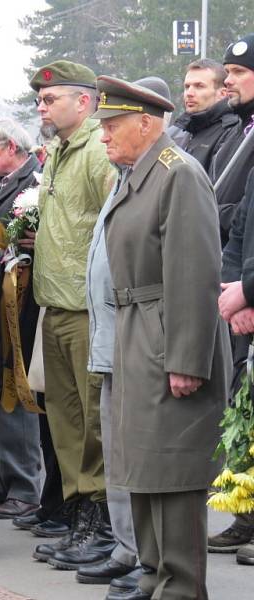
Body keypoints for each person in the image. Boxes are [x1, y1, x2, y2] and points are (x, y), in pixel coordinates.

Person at [97, 74, 228, 600]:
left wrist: (187, 360)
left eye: (112, 126)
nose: (103, 137)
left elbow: (194, 274)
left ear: (145, 123)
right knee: (143, 463)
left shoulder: (178, 175)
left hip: (165, 333)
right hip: (138, 330)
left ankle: (179, 586)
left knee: (171, 467)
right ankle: (153, 575)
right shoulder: (138, 174)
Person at [27, 61, 116, 568]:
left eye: (51, 98)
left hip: (87, 308)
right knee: (63, 420)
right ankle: (77, 513)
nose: (42, 106)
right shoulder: (59, 150)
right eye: (40, 100)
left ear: (83, 102)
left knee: (92, 421)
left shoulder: (98, 151)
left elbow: (113, 226)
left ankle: (99, 522)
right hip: (54, 303)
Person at [0, 118, 44, 521]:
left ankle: (24, 485)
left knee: (15, 392)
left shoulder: (32, 188)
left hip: (21, 303)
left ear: (12, 149)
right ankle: (0, 479)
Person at [219, 160, 254, 568]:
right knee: (243, 419)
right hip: (244, 306)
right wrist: (235, 298)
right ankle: (245, 514)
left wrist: (247, 291)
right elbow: (237, 236)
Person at [212, 33, 254, 246]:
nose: (227, 80)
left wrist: (208, 213)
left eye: (239, 72)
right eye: (227, 72)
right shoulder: (236, 131)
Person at [167, 59, 236, 174]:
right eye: (187, 86)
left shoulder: (231, 132)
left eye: (199, 86)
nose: (189, 93)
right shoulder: (176, 131)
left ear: (222, 94)